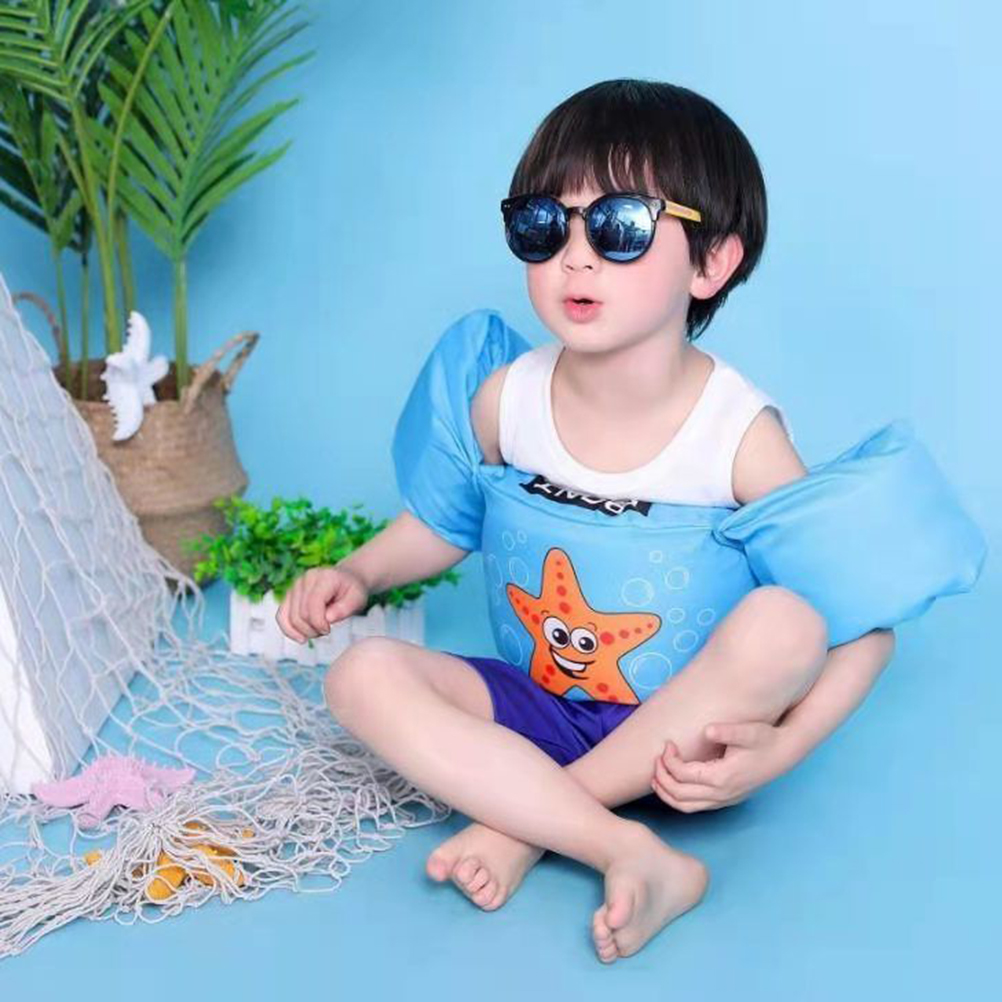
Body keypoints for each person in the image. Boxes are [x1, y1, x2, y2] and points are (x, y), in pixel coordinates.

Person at [276, 79, 897, 963]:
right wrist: (362, 573)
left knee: (789, 623)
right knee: (360, 675)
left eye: (620, 227)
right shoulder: (508, 398)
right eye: (544, 225)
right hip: (534, 705)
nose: (575, 258)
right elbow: (447, 523)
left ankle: (525, 819)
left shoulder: (737, 434)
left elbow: (863, 623)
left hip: (683, 733)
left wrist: (783, 749)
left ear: (712, 263)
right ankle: (621, 846)